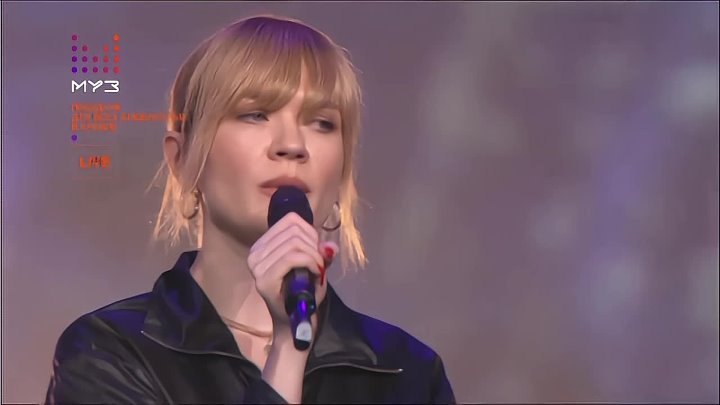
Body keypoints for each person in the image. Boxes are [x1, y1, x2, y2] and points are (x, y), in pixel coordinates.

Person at [45, 14, 455, 404]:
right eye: (255, 114)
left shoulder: (408, 374)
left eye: (322, 122)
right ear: (182, 160)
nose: (292, 145)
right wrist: (288, 350)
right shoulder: (109, 352)